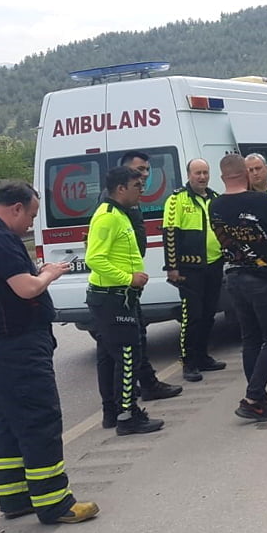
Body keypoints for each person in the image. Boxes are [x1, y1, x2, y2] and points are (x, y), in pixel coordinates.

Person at [0, 182, 98, 524]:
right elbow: (26, 288)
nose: (32, 224)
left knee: (10, 419)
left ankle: (15, 496)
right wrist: (48, 274)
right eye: (32, 216)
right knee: (39, 419)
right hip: (15, 345)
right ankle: (55, 502)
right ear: (17, 208)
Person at [85, 167, 166, 435]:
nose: (141, 191)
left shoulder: (119, 214)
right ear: (121, 188)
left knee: (113, 356)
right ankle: (127, 416)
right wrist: (127, 278)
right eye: (137, 186)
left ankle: (113, 412)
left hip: (119, 297)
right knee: (128, 356)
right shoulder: (107, 217)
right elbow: (94, 258)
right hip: (113, 297)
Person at [209, 153, 267, 421]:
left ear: (222, 177)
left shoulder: (215, 205)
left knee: (251, 338)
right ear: (245, 172)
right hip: (263, 277)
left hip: (233, 277)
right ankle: (253, 397)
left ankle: (258, 394)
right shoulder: (261, 200)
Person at [115, 151, 182, 402]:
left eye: (146, 171)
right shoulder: (115, 207)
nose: (144, 176)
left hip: (129, 281)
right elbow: (98, 256)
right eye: (139, 170)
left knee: (135, 337)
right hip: (121, 286)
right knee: (128, 343)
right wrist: (127, 277)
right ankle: (123, 403)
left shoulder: (128, 200)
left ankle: (144, 386)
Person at [162, 158, 226, 383]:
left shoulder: (216, 198)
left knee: (209, 314)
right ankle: (188, 362)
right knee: (193, 316)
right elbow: (170, 233)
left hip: (214, 264)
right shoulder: (176, 199)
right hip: (190, 267)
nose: (202, 177)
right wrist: (172, 266)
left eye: (205, 173)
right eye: (197, 173)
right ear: (188, 174)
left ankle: (203, 357)